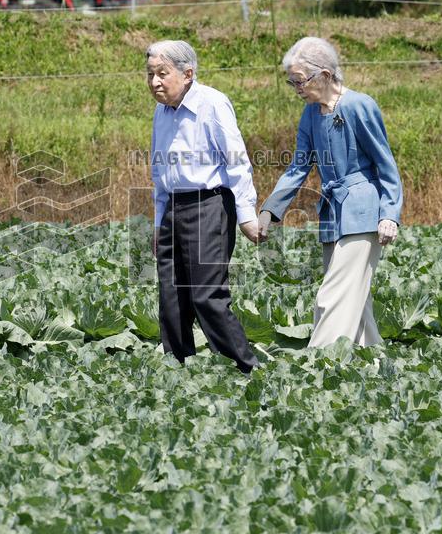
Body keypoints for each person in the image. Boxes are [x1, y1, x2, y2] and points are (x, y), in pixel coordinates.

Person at [259, 37, 402, 348]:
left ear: (324, 75)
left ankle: (319, 364)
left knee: (333, 293)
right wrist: (270, 210)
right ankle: (375, 360)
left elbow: (385, 165)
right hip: (332, 213)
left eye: (300, 80)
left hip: (363, 210)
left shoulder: (359, 105)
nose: (296, 88)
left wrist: (389, 214)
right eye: (291, 82)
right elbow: (299, 166)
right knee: (355, 299)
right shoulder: (310, 114)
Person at [148, 39, 262, 373]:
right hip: (172, 206)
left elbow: (237, 162)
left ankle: (244, 369)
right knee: (171, 297)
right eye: (150, 74)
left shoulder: (213, 103)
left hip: (209, 205)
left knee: (205, 295)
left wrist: (246, 215)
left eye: (162, 73)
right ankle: (178, 367)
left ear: (187, 74)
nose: (154, 82)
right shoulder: (161, 110)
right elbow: (160, 171)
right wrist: (159, 223)